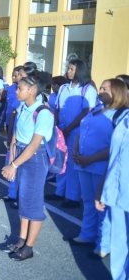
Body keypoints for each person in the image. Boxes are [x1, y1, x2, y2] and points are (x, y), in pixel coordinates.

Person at [65, 79, 128, 259]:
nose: (99, 90)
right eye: (100, 87)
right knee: (88, 202)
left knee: (103, 207)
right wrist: (76, 149)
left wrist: (90, 158)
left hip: (101, 166)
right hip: (83, 163)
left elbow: (116, 147)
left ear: (116, 92)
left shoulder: (119, 116)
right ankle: (87, 235)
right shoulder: (96, 110)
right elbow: (83, 130)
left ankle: (104, 245)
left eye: (104, 88)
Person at [1, 75, 54, 261]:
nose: (16, 91)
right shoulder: (24, 106)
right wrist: (12, 156)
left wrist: (14, 165)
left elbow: (34, 144)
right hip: (22, 154)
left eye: (19, 88)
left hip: (35, 158)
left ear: (32, 91)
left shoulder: (43, 112)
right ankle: (21, 239)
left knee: (33, 203)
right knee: (23, 200)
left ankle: (29, 247)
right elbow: (16, 132)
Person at [48, 59, 98, 209]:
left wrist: (69, 128)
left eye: (72, 69)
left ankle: (73, 197)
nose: (68, 72)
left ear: (80, 71)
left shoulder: (88, 89)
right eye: (68, 68)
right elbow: (57, 108)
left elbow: (86, 112)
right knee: (61, 160)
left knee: (72, 164)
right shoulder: (63, 88)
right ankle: (59, 192)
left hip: (76, 132)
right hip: (62, 130)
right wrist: (56, 124)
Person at [95, 109, 129, 280]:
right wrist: (102, 188)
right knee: (119, 247)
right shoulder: (124, 118)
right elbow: (113, 157)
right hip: (117, 193)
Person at [0, 66, 23, 207]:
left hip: (25, 139)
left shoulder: (35, 99)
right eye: (15, 75)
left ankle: (20, 197)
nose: (15, 78)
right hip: (13, 131)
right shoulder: (14, 90)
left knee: (21, 167)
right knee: (11, 160)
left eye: (19, 75)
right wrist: (9, 135)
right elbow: (13, 112)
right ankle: (12, 193)